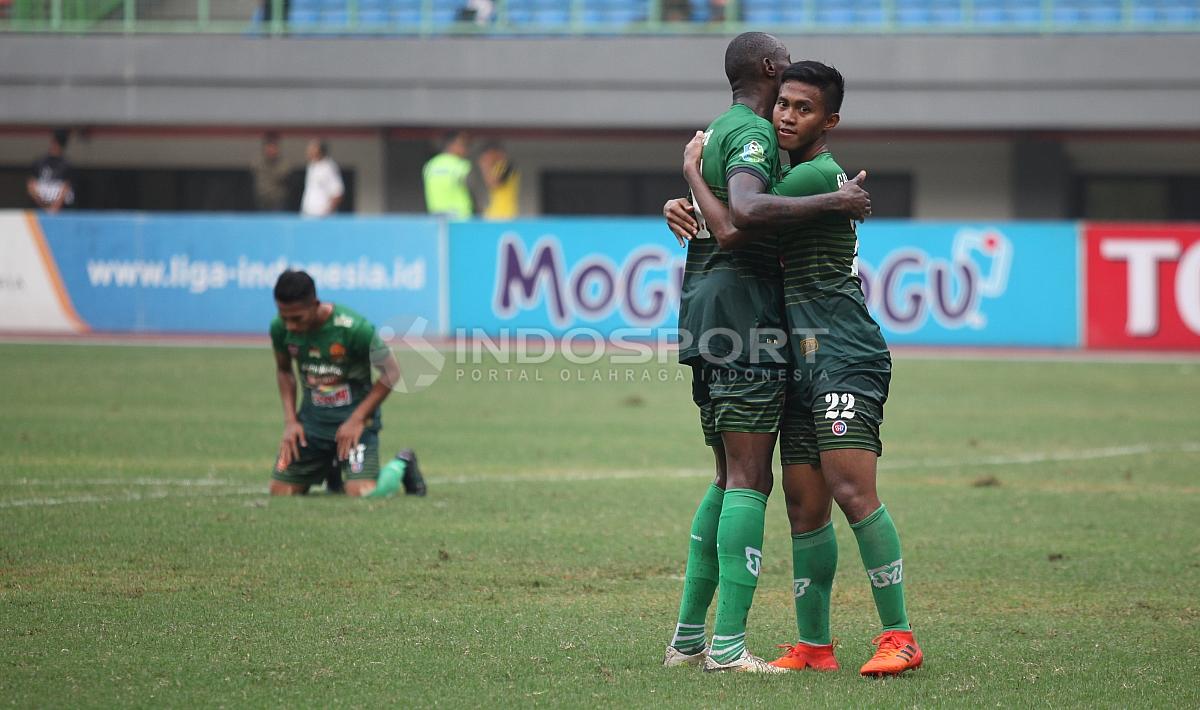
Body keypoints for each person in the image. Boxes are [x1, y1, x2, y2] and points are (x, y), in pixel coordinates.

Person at [678, 61, 922, 677]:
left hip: (842, 349)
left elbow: (738, 219)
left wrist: (691, 175)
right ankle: (814, 646)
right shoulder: (789, 173)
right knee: (804, 504)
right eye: (782, 103)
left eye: (803, 108)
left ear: (829, 121)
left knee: (851, 491)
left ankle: (900, 634)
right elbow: (741, 207)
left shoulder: (813, 172)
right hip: (799, 352)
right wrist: (681, 203)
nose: (786, 115)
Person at [269, 269, 426, 497]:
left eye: (297, 318)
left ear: (315, 304)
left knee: (361, 493)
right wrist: (290, 421)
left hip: (355, 425)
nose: (290, 326)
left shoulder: (354, 329)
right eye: (284, 318)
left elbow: (391, 372)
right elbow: (284, 371)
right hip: (310, 427)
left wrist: (357, 419)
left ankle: (402, 463)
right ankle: (331, 465)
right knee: (279, 491)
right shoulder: (279, 328)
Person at [422, 131, 474, 220]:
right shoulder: (461, 165)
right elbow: (474, 189)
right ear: (453, 144)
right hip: (460, 217)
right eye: (464, 145)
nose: (466, 149)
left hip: (436, 216)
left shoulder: (430, 165)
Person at [27, 129, 74, 214]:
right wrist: (42, 205)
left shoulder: (66, 164)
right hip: (39, 209)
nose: (54, 146)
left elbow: (66, 188)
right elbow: (31, 185)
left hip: (61, 211)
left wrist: (54, 208)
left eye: (57, 144)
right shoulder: (40, 162)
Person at [300, 139, 344, 217]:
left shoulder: (329, 167)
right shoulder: (312, 166)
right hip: (308, 215)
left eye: (312, 149)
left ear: (320, 151)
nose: (309, 151)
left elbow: (338, 193)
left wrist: (328, 213)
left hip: (322, 217)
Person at [478, 142, 520, 220]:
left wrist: (485, 166)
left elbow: (494, 184)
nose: (489, 158)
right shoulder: (495, 168)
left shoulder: (507, 167)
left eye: (489, 155)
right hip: (493, 212)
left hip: (506, 213)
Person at [251, 132, 291, 212]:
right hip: (262, 198)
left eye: (273, 148)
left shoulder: (283, 164)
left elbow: (284, 175)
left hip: (277, 199)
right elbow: (253, 171)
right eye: (269, 148)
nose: (271, 150)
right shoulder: (258, 163)